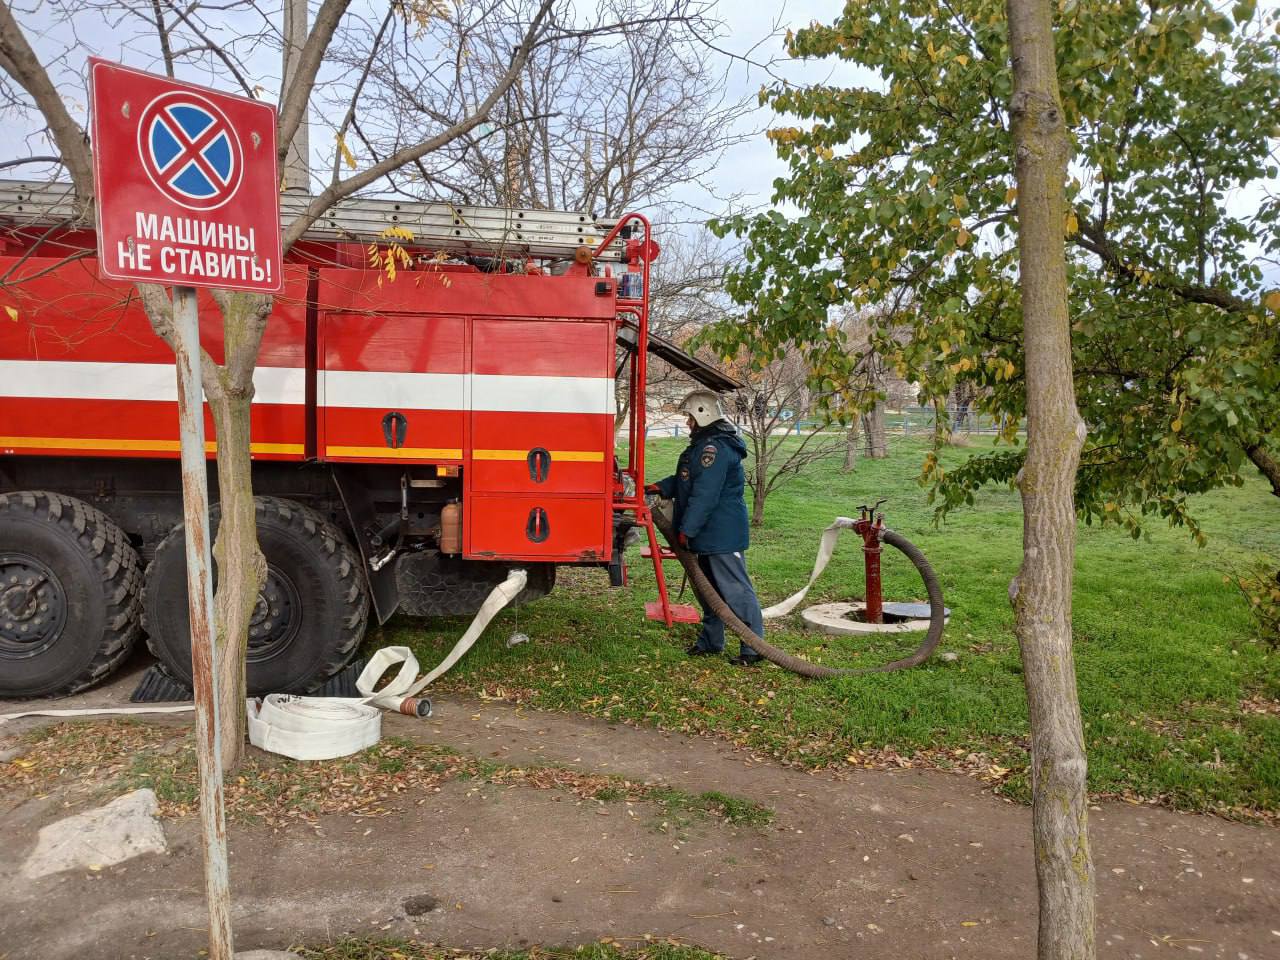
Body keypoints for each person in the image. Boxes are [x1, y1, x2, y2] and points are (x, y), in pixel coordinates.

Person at [646, 389, 765, 666]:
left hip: (720, 533)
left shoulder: (715, 448)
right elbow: (688, 478)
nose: (687, 423)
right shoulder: (704, 444)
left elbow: (705, 493)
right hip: (708, 533)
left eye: (690, 417)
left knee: (735, 590)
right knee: (708, 589)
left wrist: (687, 529)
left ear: (703, 415)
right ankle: (712, 641)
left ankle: (754, 647)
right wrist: (661, 487)